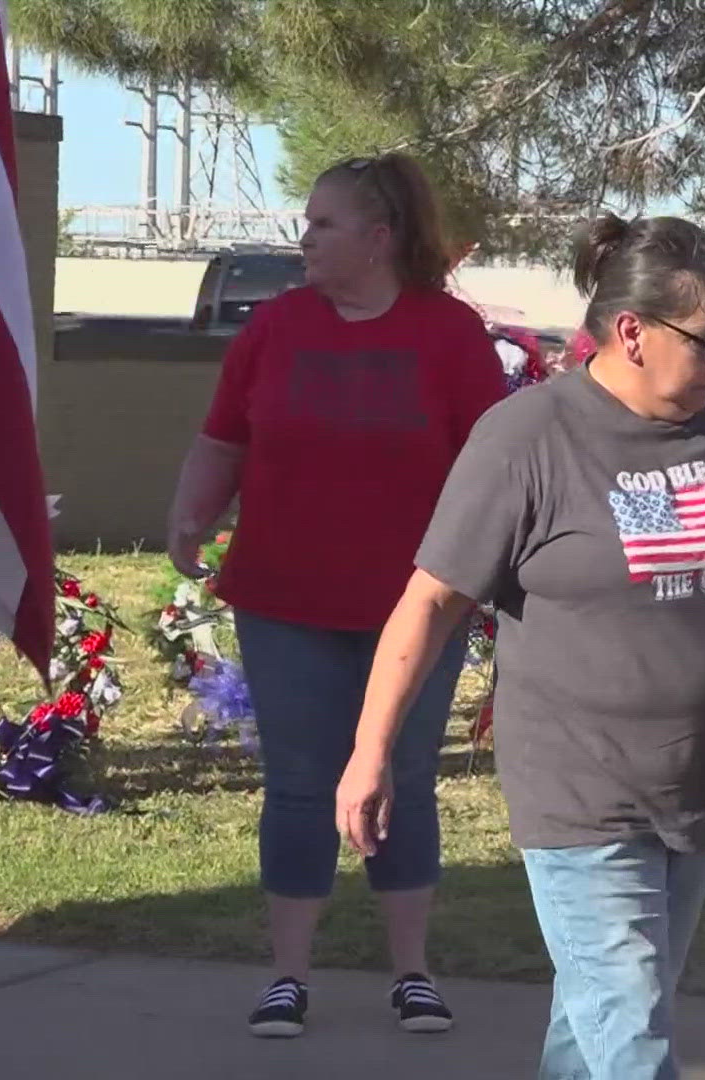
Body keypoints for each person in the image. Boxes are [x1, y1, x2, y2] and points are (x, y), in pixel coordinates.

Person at [333, 214, 705, 1080]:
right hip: (579, 785)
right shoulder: (529, 438)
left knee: (597, 1029)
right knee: (631, 1028)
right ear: (632, 333)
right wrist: (371, 752)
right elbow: (430, 600)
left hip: (699, 780)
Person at [165, 153, 507, 1039]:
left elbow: (493, 468)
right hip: (283, 597)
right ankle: (287, 977)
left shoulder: (451, 334)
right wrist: (190, 514)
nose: (304, 237)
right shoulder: (274, 328)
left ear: (380, 237)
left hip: (418, 607)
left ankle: (413, 975)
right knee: (300, 783)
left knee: (407, 781)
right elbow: (222, 438)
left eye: (323, 223)